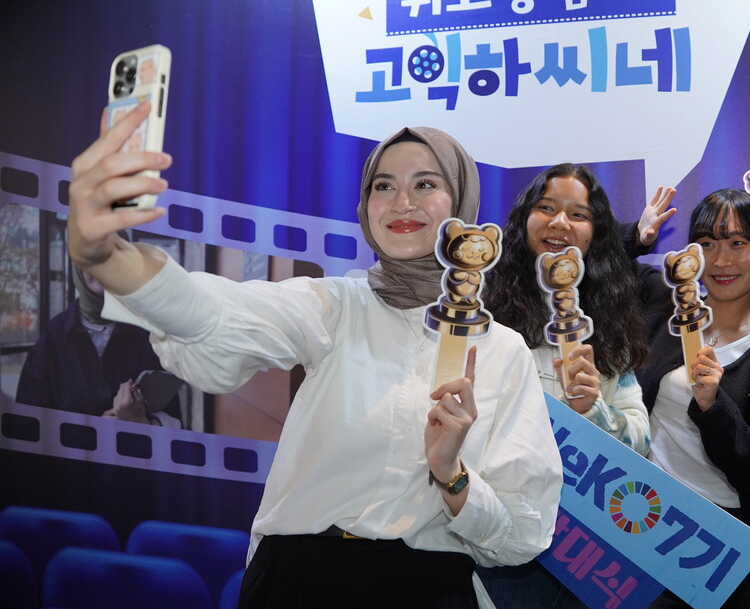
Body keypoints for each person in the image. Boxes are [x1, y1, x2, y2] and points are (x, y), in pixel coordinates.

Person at [66, 100, 563, 608]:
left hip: (428, 587)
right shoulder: (337, 305)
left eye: (425, 184)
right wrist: (107, 257)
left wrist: (451, 474)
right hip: (299, 578)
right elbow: (216, 314)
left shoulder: (502, 351)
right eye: (383, 185)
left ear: (462, 206)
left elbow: (523, 533)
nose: (401, 202)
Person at [477, 163, 652, 607]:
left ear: (595, 233)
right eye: (546, 208)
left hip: (585, 549)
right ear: (524, 219)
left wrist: (593, 410)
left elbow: (641, 440)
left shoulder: (608, 320)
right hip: (497, 536)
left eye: (578, 214)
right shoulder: (478, 310)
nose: (559, 223)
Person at [634, 188, 750, 609]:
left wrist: (714, 406)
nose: (722, 260)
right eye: (707, 244)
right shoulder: (663, 314)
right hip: (649, 529)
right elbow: (582, 270)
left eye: (738, 243)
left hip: (734, 551)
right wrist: (637, 238)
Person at [17, 264, 182, 428]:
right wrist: (92, 432)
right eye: (93, 256)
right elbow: (27, 425)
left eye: (113, 257)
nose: (103, 264)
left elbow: (175, 420)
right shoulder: (53, 337)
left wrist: (142, 423)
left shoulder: (149, 333)